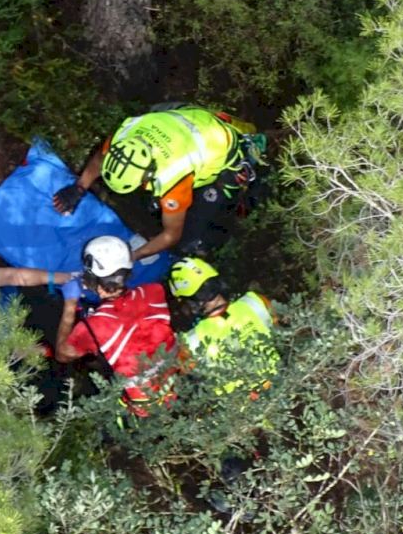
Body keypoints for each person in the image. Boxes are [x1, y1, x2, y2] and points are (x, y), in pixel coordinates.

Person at [52, 104, 265, 261]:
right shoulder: (124, 139)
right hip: (187, 121)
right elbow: (101, 158)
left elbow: (171, 235)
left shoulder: (173, 178)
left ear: (148, 174)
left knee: (192, 233)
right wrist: (79, 187)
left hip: (222, 149)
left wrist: (133, 256)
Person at [54, 235, 177, 415]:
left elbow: (62, 354)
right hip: (177, 383)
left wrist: (70, 303)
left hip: (145, 407)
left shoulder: (93, 327)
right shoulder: (154, 291)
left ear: (92, 279)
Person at [166, 256, 278, 394]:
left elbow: (183, 378)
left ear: (191, 302)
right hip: (283, 385)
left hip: (239, 404)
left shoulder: (191, 341)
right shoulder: (255, 302)